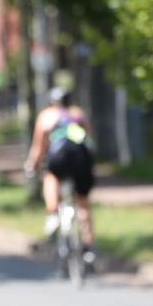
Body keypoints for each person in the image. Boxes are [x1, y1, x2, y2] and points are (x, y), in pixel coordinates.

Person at [24, 87, 97, 266]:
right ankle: (88, 249)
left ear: (51, 102)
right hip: (82, 158)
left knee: (50, 177)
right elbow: (90, 141)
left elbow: (39, 147)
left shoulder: (46, 115)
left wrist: (31, 165)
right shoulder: (78, 113)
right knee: (83, 205)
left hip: (59, 157)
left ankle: (53, 212)